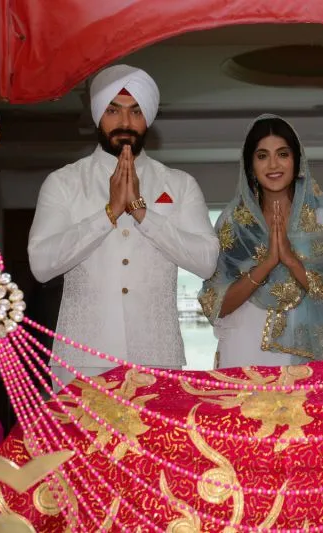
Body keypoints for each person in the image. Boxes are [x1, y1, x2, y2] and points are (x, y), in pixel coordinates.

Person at [28, 64, 219, 389]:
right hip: (81, 358)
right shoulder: (64, 183)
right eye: (113, 111)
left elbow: (206, 262)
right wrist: (109, 213)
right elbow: (41, 265)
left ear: (148, 118)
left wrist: (143, 214)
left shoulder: (180, 184)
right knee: (80, 442)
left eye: (135, 112)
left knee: (157, 443)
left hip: (157, 356)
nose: (125, 123)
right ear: (98, 115)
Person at [198, 115, 323, 367]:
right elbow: (215, 304)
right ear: (250, 165)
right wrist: (267, 263)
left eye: (283, 154)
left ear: (297, 161)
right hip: (243, 350)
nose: (273, 164)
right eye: (262, 156)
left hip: (306, 357)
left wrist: (293, 263)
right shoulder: (234, 224)